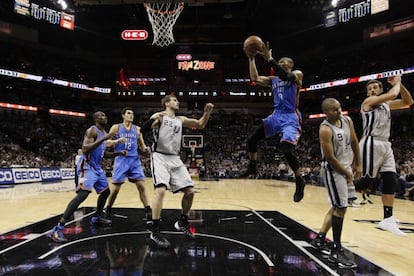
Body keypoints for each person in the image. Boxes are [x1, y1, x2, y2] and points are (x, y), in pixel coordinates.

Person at [141, 95, 214, 248]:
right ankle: (154, 230)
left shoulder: (180, 119)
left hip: (175, 158)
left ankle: (182, 221)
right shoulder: (160, 116)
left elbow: (200, 124)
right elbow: (143, 130)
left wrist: (206, 113)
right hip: (160, 156)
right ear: (166, 103)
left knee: (190, 191)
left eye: (177, 100)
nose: (177, 102)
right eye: (174, 100)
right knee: (160, 191)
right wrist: (153, 120)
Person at [241, 41, 306, 202]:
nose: (282, 64)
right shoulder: (274, 79)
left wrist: (270, 59)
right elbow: (255, 78)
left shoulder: (297, 75)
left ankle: (299, 179)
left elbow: (287, 76)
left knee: (286, 150)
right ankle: (253, 166)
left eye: (285, 62)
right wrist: (251, 59)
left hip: (291, 117)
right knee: (252, 140)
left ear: (291, 65)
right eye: (280, 61)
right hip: (276, 115)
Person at [48, 111, 126, 243]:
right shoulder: (92, 131)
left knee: (106, 191)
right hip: (86, 166)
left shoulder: (103, 133)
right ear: (95, 119)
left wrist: (117, 153)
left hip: (96, 168)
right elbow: (85, 149)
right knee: (83, 194)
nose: (104, 117)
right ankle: (58, 228)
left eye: (105, 115)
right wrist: (105, 138)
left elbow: (103, 153)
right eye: (101, 115)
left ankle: (96, 217)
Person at [356, 75, 413, 236]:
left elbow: (408, 101)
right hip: (370, 142)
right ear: (367, 93)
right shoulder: (367, 103)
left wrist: (400, 85)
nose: (373, 90)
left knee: (391, 179)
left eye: (376, 87)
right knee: (366, 182)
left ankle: (388, 219)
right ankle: (341, 190)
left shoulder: (386, 105)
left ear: (381, 90)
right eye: (370, 89)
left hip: (385, 143)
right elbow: (393, 95)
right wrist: (397, 83)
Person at [311, 98, 362, 268]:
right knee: (341, 208)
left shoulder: (347, 120)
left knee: (337, 207)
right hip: (333, 171)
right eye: (334, 110)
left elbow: (354, 141)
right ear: (326, 112)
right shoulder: (325, 129)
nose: (339, 112)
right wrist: (347, 173)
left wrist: (358, 164)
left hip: (346, 166)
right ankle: (336, 247)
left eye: (339, 108)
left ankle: (319, 238)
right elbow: (331, 158)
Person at [105, 107, 152, 222]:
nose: (131, 115)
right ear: (123, 115)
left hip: (134, 160)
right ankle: (108, 208)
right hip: (121, 160)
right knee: (115, 189)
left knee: (141, 186)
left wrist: (146, 149)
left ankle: (148, 210)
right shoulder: (116, 128)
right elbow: (106, 142)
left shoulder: (137, 129)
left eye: (132, 114)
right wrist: (116, 141)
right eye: (129, 113)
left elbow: (142, 146)